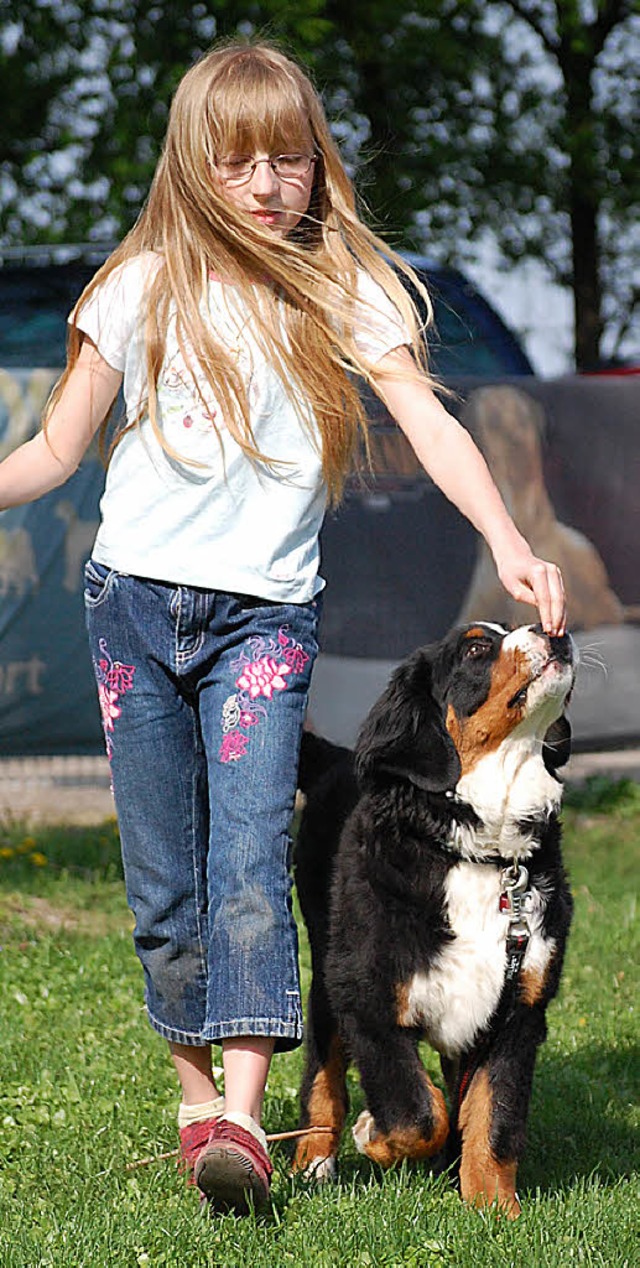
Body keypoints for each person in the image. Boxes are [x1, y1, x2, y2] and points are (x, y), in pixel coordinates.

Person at [0, 41, 565, 1215]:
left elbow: (438, 425)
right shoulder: (139, 284)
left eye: (290, 157)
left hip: (263, 620)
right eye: (237, 158)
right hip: (132, 611)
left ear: (320, 165)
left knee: (251, 861)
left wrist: (511, 544)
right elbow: (57, 449)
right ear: (194, 166)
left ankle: (249, 1122)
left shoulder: (344, 288)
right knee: (165, 879)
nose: (265, 182)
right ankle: (196, 1098)